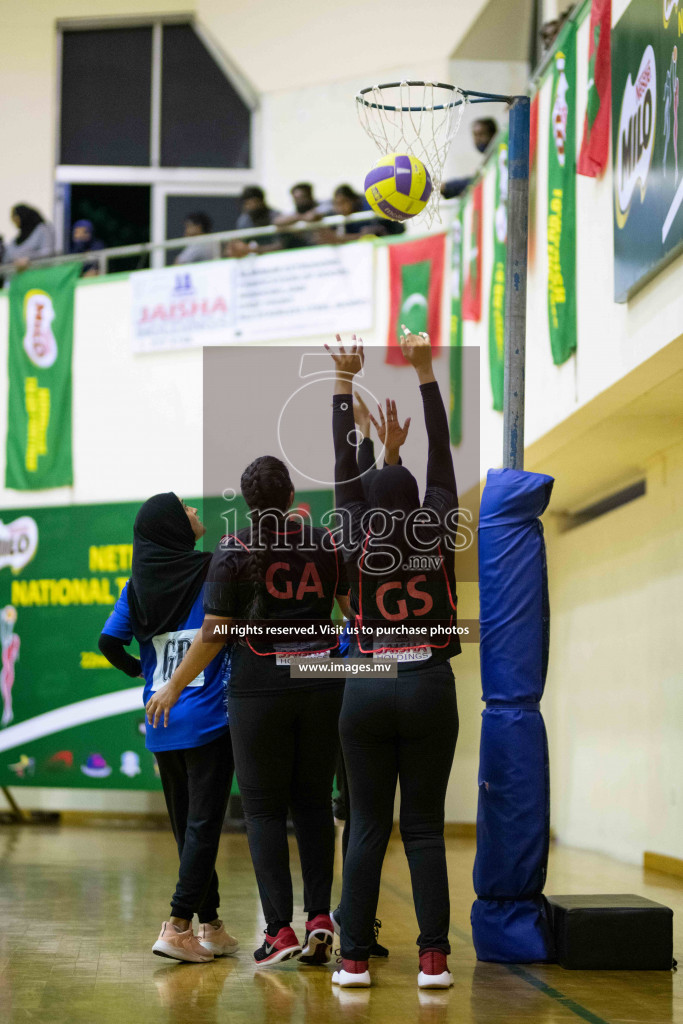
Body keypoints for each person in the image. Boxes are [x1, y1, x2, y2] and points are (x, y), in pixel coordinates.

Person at [150, 456, 351, 968]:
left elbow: (216, 633)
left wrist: (174, 683)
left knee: (263, 811)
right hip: (321, 681)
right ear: (290, 497)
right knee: (312, 804)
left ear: (246, 501)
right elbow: (354, 611)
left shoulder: (233, 549)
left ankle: (279, 931)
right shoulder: (325, 541)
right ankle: (320, 918)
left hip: (260, 689)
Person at [328, 330, 460, 990]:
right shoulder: (436, 520)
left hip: (369, 682)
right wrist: (425, 371)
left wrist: (343, 387)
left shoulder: (352, 531)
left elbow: (344, 477)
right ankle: (431, 961)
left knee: (366, 828)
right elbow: (440, 458)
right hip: (429, 681)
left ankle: (353, 960)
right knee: (425, 830)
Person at [98, 493, 237, 964]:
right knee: (202, 826)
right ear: (174, 525)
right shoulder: (212, 568)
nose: (196, 513)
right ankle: (178, 924)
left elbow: (107, 642)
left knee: (189, 830)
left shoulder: (137, 587)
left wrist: (144, 672)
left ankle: (211, 925)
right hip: (209, 718)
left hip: (161, 718)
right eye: (187, 509)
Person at [440, 118, 498, 198]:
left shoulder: (499, 156)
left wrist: (446, 187)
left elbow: (477, 182)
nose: (478, 139)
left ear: (493, 135)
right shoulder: (488, 161)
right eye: (475, 135)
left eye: (481, 134)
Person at [227, 186, 283, 257]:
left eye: (254, 203)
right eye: (247, 204)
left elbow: (281, 246)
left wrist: (254, 250)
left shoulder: (276, 217)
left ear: (262, 202)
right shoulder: (244, 220)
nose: (251, 207)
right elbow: (241, 244)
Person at [4, 204, 55, 270]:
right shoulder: (15, 241)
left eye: (16, 218)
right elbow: (8, 258)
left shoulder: (43, 230)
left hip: (38, 273)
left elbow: (48, 252)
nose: (14, 221)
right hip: (18, 277)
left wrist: (29, 259)